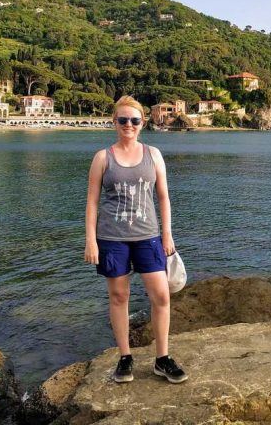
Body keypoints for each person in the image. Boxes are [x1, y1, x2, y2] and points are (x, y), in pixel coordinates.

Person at [84, 95, 187, 384]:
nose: (129, 125)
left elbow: (164, 197)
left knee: (161, 295)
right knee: (119, 297)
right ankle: (125, 357)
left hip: (149, 237)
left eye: (135, 120)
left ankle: (162, 358)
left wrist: (167, 234)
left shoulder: (153, 154)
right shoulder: (103, 157)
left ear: (142, 123)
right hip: (111, 238)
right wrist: (90, 241)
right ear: (114, 122)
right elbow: (92, 202)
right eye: (123, 120)